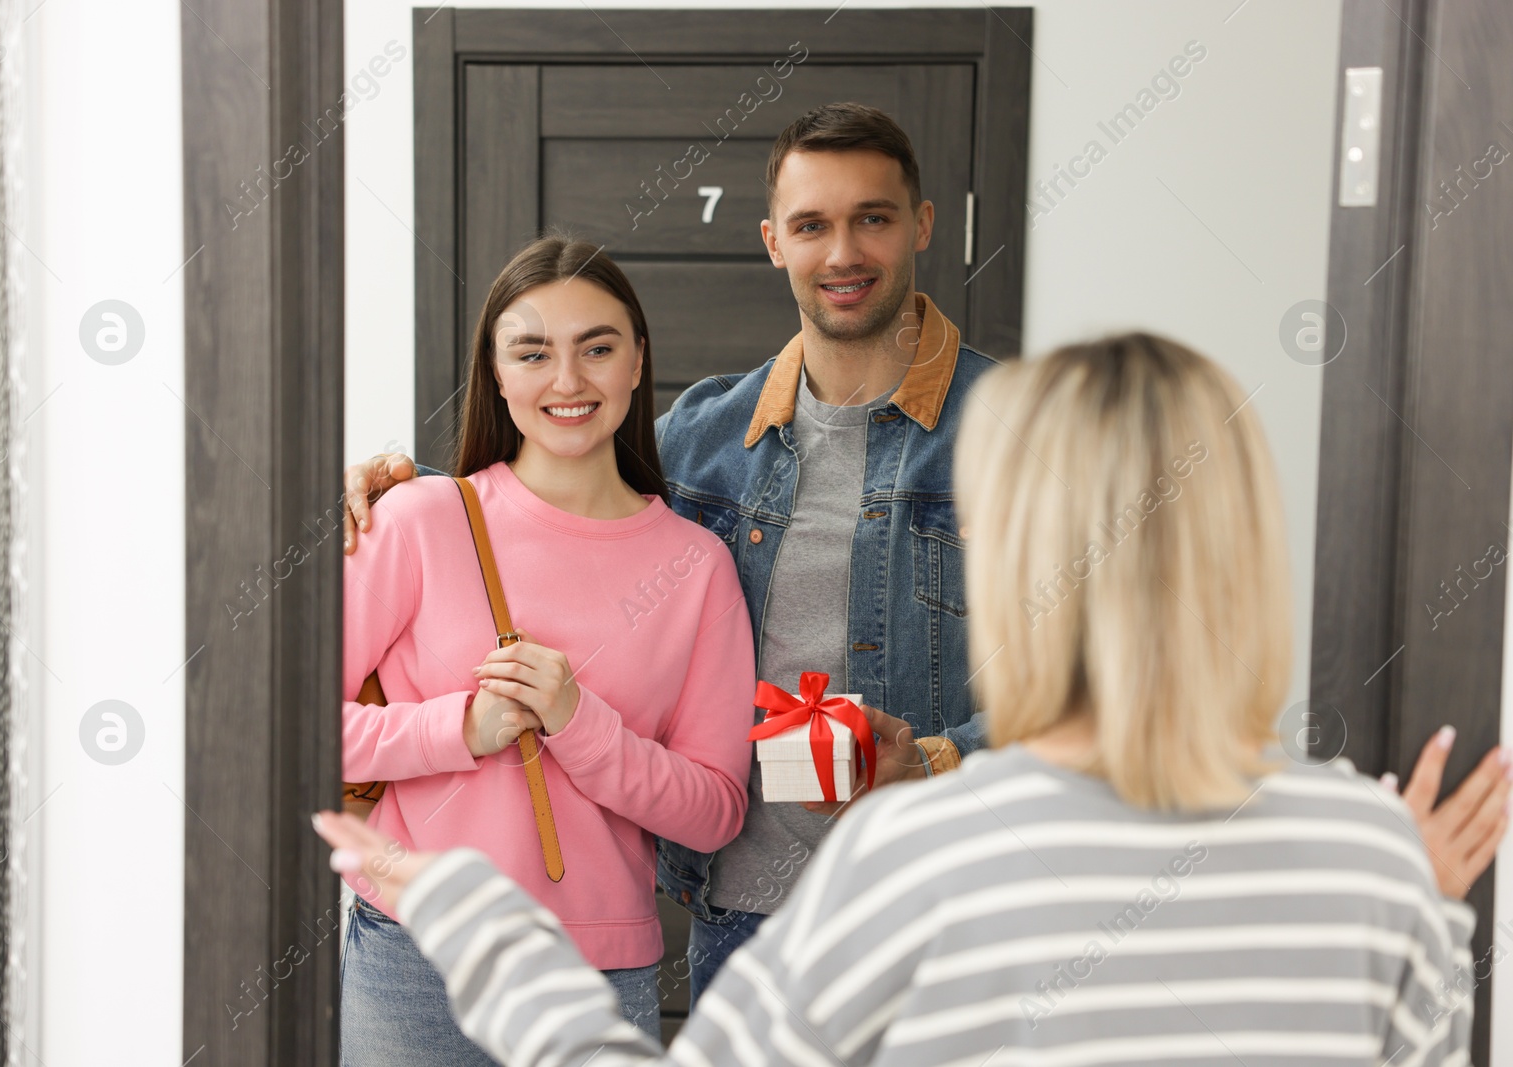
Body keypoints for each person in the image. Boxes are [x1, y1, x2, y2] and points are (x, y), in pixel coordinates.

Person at [340, 102, 1512, 1002]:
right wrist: (394, 488)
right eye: (811, 223)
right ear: (772, 242)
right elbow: (562, 520)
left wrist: (943, 758)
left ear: (921, 227)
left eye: (871, 217)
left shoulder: (1028, 432)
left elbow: (1126, 677)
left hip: (948, 913)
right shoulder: (702, 438)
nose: (841, 249)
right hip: (743, 919)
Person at [317, 331, 1499, 1066]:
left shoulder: (924, 849)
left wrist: (479, 922)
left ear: (1021, 546)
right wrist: (1422, 911)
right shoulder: (1366, 856)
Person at [337, 235, 757, 1066]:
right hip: (415, 956)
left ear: (638, 362)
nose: (567, 381)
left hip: (599, 978)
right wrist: (459, 727)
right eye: (533, 353)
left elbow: (714, 810)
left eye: (596, 348)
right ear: (497, 373)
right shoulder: (420, 519)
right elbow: (292, 736)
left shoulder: (696, 566)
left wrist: (578, 722)